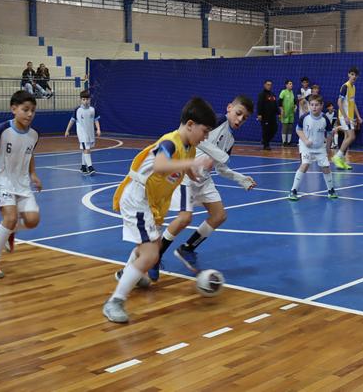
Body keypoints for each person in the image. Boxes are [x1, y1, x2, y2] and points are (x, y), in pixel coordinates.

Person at [102, 97, 216, 323]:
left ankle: (130, 275)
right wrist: (193, 164)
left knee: (148, 246)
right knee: (151, 253)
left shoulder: (190, 148)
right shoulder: (170, 142)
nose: (206, 137)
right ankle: (114, 301)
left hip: (152, 201)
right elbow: (160, 165)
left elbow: (186, 165)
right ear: (190, 124)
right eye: (205, 131)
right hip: (138, 197)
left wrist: (195, 173)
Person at [121, 95, 257, 279]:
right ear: (229, 108)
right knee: (184, 218)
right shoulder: (217, 121)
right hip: (187, 175)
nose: (240, 119)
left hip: (204, 179)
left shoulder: (230, 140)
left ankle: (187, 248)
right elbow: (201, 141)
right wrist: (217, 155)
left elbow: (221, 168)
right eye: (238, 113)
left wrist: (241, 179)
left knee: (219, 216)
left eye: (245, 118)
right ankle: (155, 256)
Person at [0, 91, 41, 278]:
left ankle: (9, 231)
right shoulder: (2, 130)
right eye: (25, 109)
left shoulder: (34, 134)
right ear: (14, 109)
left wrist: (33, 174)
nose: (29, 114)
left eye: (33, 110)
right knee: (10, 217)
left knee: (33, 221)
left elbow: (30, 154)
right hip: (1, 183)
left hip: (22, 184)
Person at [289, 94, 338, 200]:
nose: (314, 107)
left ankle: (331, 190)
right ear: (309, 106)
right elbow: (298, 130)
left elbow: (329, 133)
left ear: (321, 105)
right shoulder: (304, 117)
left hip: (320, 147)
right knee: (305, 164)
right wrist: (305, 141)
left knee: (326, 167)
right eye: (311, 105)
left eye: (316, 105)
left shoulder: (324, 119)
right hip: (306, 146)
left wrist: (328, 148)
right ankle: (293, 190)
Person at [332, 66, 362, 170]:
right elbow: (339, 102)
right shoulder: (345, 86)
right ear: (348, 74)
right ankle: (337, 157)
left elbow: (353, 103)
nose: (354, 76)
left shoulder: (353, 87)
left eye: (356, 75)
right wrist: (345, 117)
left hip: (350, 117)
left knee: (346, 138)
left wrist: (358, 116)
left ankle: (342, 161)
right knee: (352, 137)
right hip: (345, 116)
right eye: (352, 74)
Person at [64, 90, 101, 175]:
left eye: (87, 99)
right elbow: (72, 120)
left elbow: (96, 120)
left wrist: (98, 129)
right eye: (83, 99)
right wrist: (67, 130)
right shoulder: (78, 110)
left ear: (90, 99)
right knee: (87, 149)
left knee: (85, 149)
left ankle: (83, 167)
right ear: (81, 100)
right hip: (82, 133)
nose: (85, 101)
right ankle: (90, 167)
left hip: (90, 133)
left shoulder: (93, 110)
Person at [257, 79, 278, 150]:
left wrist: (279, 113)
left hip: (272, 116)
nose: (269, 86)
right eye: (268, 85)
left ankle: (265, 140)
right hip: (265, 116)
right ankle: (266, 145)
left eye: (270, 85)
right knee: (266, 130)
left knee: (275, 129)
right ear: (264, 85)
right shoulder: (262, 94)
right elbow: (259, 104)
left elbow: (275, 105)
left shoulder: (273, 95)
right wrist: (259, 114)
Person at [279, 80, 296, 146]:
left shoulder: (292, 92)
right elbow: (279, 102)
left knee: (290, 127)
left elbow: (294, 101)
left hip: (291, 114)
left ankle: (289, 142)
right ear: (286, 85)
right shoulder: (283, 92)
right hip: (285, 113)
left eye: (292, 84)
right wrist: (281, 110)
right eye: (290, 84)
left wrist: (295, 107)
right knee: (285, 127)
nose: (291, 85)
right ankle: (284, 142)